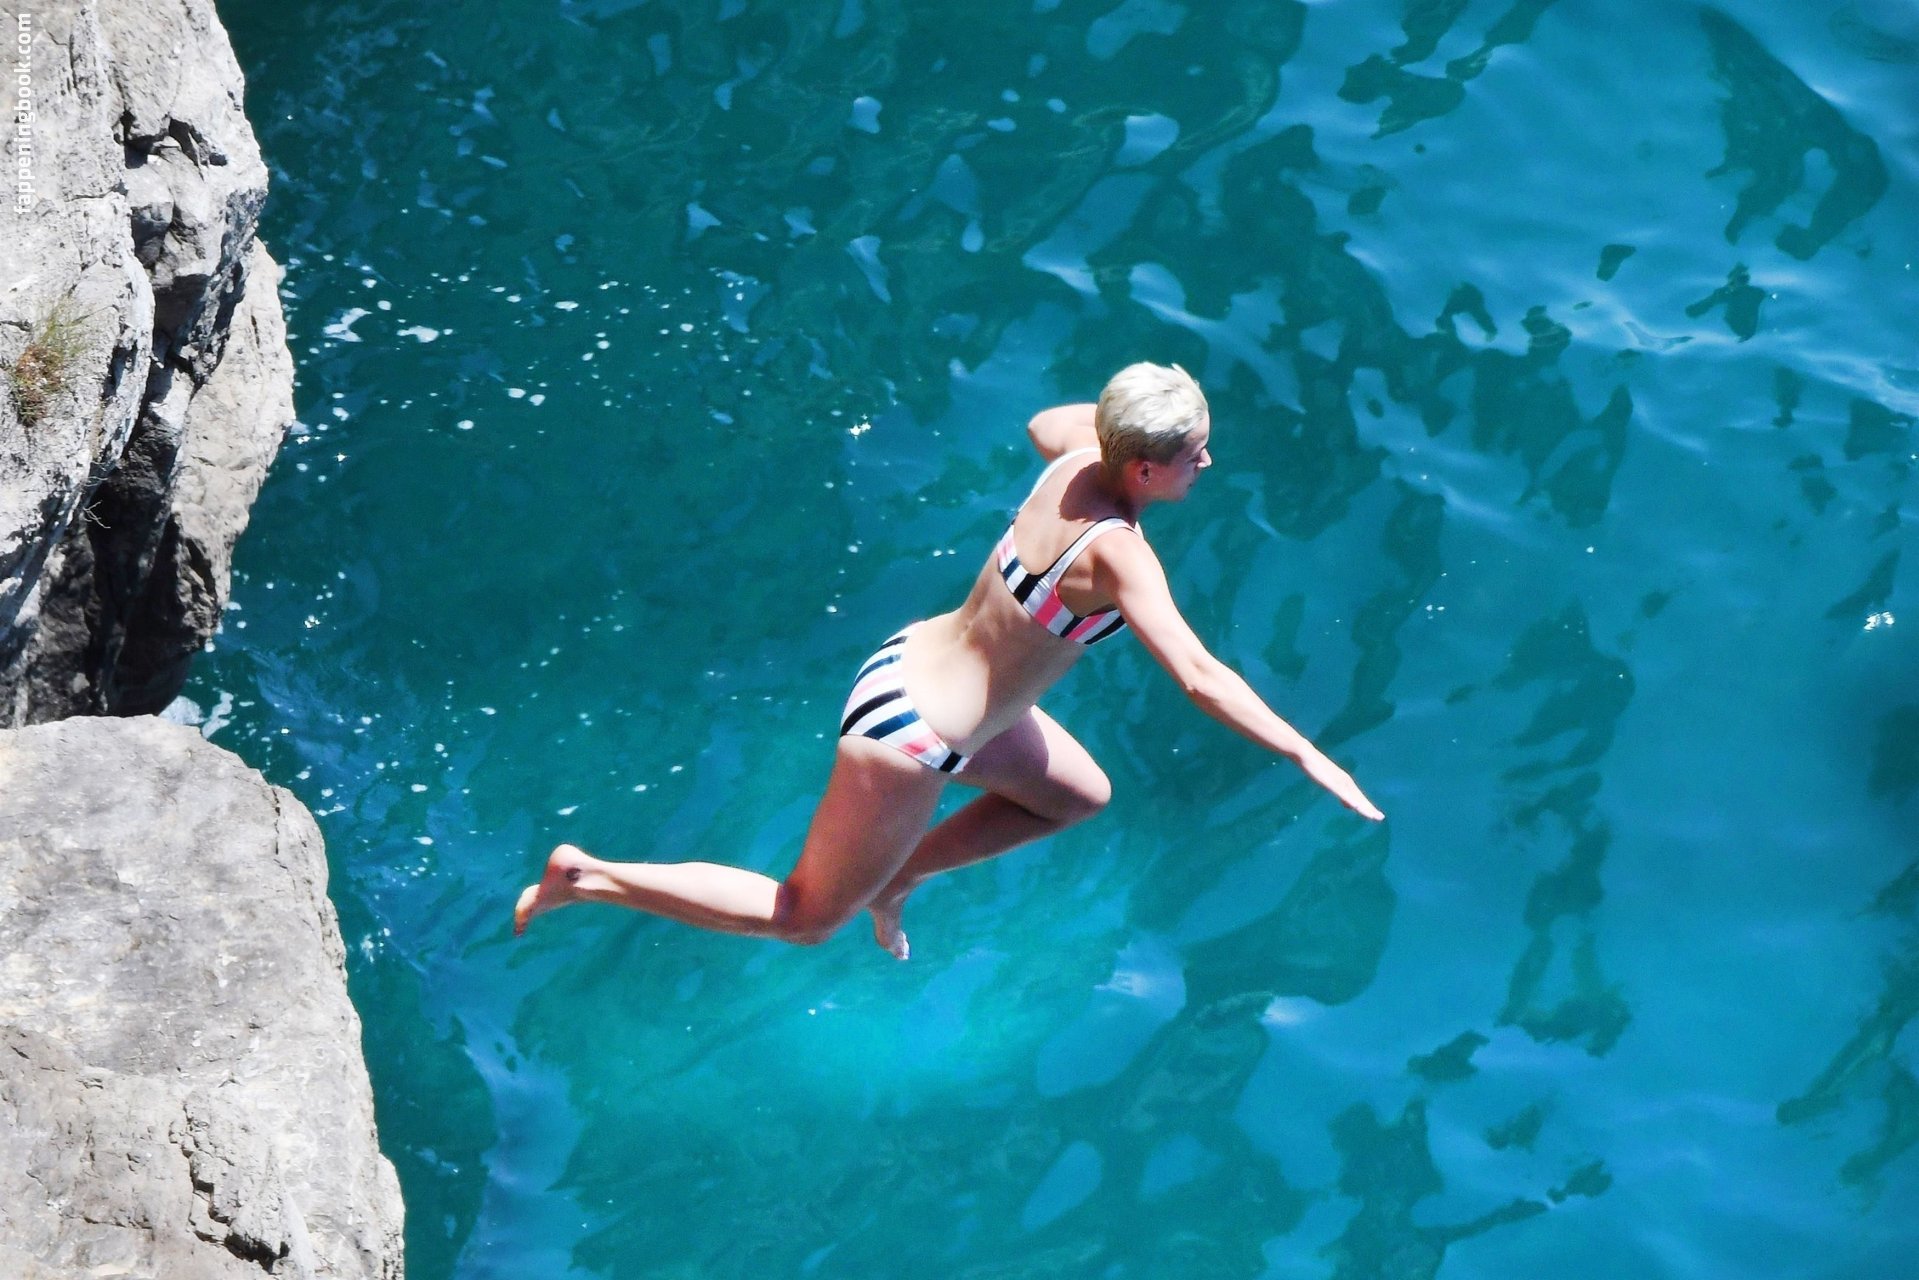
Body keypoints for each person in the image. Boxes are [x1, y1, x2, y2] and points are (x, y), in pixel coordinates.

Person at [514, 362, 1383, 959]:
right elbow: (1197, 674)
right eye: (1194, 455)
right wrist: (1304, 753)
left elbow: (1044, 422)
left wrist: (1122, 419)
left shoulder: (1078, 457)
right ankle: (587, 876)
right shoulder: (1118, 553)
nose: (1207, 463)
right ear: (1147, 470)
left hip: (920, 667)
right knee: (804, 917)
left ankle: (896, 878)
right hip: (911, 736)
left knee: (1077, 796)